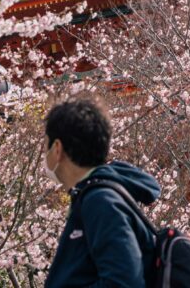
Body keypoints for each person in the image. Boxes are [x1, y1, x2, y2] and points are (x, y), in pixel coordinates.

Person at [43, 96, 160, 288]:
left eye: (45, 145)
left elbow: (123, 282)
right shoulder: (93, 196)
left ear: (57, 148)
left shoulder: (101, 201)